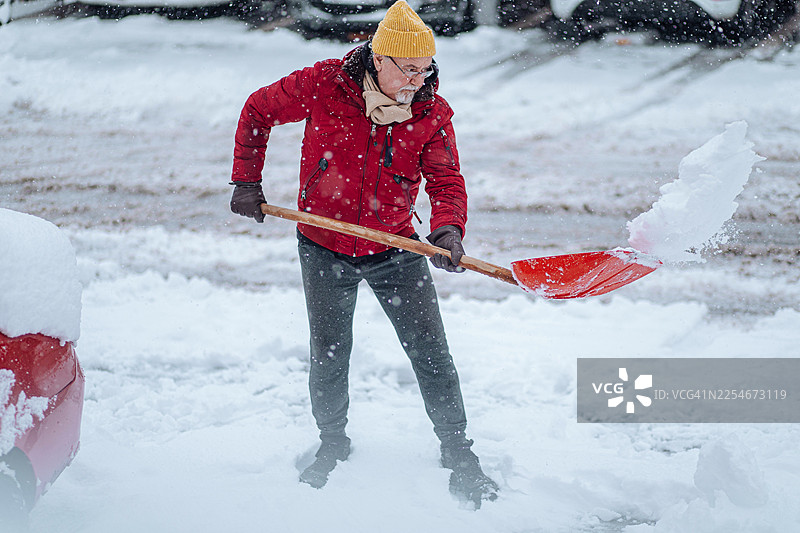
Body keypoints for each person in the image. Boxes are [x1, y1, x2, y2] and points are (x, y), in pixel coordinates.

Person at [229, 0, 498, 507]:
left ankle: (459, 450)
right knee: (329, 355)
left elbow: (445, 181)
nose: (419, 79)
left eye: (426, 68)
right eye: (410, 68)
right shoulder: (325, 84)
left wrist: (446, 232)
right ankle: (332, 443)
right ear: (380, 59)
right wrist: (246, 179)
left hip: (395, 248)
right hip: (322, 243)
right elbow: (258, 109)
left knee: (432, 356)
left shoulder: (430, 113)